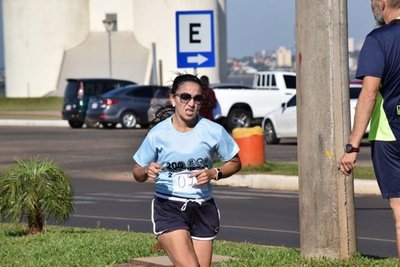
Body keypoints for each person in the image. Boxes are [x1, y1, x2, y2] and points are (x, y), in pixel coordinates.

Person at [132, 73, 241, 267]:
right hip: (169, 206)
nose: (191, 103)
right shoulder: (158, 134)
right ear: (173, 99)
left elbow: (234, 162)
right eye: (185, 97)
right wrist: (146, 170)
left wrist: (215, 173)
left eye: (197, 98)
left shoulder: (213, 131)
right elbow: (136, 172)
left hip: (203, 207)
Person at [338, 0, 400, 257]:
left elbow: (369, 94)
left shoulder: (379, 39)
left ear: (381, 4)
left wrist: (352, 146)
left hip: (390, 135)